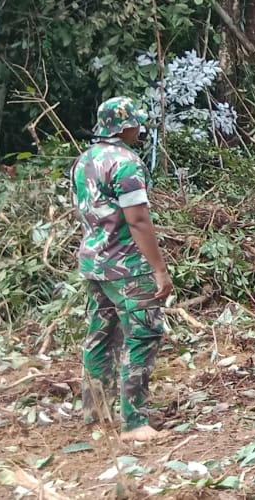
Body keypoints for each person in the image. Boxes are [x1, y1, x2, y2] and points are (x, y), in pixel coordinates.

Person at [72, 96, 171, 442]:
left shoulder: (85, 160)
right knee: (143, 334)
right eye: (136, 123)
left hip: (95, 264)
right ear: (124, 126)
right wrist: (159, 269)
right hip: (127, 267)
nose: (139, 128)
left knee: (100, 336)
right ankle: (134, 423)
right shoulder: (126, 163)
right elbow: (138, 219)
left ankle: (96, 416)